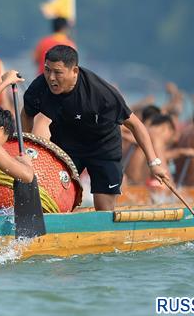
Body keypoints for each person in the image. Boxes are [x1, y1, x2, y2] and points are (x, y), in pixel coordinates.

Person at [21, 45, 172, 211]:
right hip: (67, 145)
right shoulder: (39, 87)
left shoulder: (101, 93)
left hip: (103, 147)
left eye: (58, 72)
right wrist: (27, 150)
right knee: (55, 199)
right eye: (47, 70)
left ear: (75, 71)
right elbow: (27, 113)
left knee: (103, 207)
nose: (51, 78)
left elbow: (136, 125)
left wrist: (154, 163)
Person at [124, 114, 194, 186]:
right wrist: (172, 186)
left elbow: (157, 156)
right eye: (171, 134)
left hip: (128, 183)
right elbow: (162, 165)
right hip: (137, 187)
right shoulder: (156, 137)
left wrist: (180, 152)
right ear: (165, 127)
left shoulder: (144, 133)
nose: (169, 140)